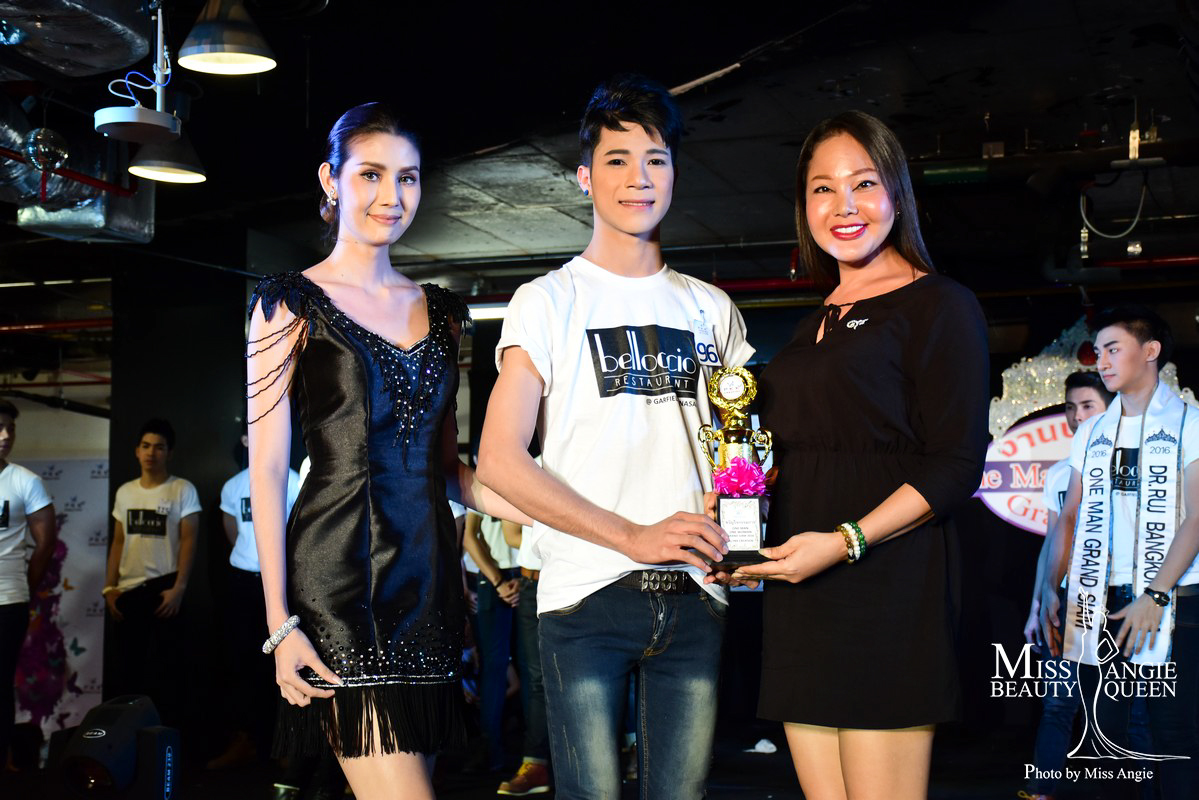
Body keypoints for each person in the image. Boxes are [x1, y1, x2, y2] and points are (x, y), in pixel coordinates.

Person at [477, 74, 752, 800]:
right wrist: (632, 535)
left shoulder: (711, 308)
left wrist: (746, 502)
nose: (639, 178)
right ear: (584, 177)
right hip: (584, 594)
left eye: (655, 159)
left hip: (696, 592)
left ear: (674, 173)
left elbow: (738, 452)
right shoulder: (547, 301)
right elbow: (498, 460)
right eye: (618, 160)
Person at [245, 102, 528, 800]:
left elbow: (450, 474)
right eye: (371, 174)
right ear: (330, 179)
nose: (391, 195)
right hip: (339, 583)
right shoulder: (288, 303)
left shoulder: (445, 313)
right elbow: (268, 469)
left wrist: (581, 514)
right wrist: (279, 623)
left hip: (429, 585)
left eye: (408, 177)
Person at [732, 111, 990, 800]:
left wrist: (845, 541)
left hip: (886, 588)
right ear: (803, 206)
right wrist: (739, 501)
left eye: (864, 183)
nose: (843, 205)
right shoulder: (814, 322)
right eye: (823, 188)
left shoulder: (939, 304)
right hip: (801, 593)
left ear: (897, 195)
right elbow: (796, 452)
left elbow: (956, 465)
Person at [1041, 306, 1199, 798]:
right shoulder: (1092, 431)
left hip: (1175, 597)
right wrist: (1050, 588)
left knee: (1173, 733)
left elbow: (1197, 517)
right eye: (1099, 351)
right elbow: (1068, 516)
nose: (1103, 361)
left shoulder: (1190, 422)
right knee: (1107, 734)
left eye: (1113, 349)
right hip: (1098, 595)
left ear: (1150, 351)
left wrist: (1156, 594)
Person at [1020, 371, 1116, 799]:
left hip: (1115, 601)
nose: (1077, 416)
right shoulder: (1060, 473)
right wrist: (1037, 605)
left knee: (1122, 709)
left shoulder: (1129, 467)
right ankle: (1043, 790)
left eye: (1087, 406)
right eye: (1071, 407)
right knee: (1058, 704)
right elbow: (1050, 544)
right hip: (1066, 602)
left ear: (1110, 408)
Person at [208, 427, 302, 769]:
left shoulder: (294, 480)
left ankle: (288, 746)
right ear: (245, 440)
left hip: (282, 584)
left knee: (286, 663)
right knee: (242, 663)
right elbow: (232, 532)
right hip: (242, 584)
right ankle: (247, 741)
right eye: (252, 433)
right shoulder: (233, 486)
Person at [103, 418, 201, 726]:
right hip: (128, 592)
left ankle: (166, 738)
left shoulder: (182, 489)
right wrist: (109, 588)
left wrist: (179, 588)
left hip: (164, 590)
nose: (151, 452)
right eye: (146, 446)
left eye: (159, 447)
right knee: (128, 672)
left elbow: (189, 541)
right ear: (136, 451)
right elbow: (118, 541)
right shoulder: (125, 492)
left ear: (169, 453)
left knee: (168, 671)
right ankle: (127, 736)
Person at [0, 399, 56, 767]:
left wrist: (24, 586)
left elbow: (46, 543)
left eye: (11, 428)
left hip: (8, 600)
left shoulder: (25, 481)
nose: (6, 435)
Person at [460, 510, 520, 774]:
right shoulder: (482, 485)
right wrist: (497, 581)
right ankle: (491, 750)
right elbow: (468, 537)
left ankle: (528, 753)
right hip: (490, 573)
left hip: (524, 570)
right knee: (494, 667)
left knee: (525, 666)